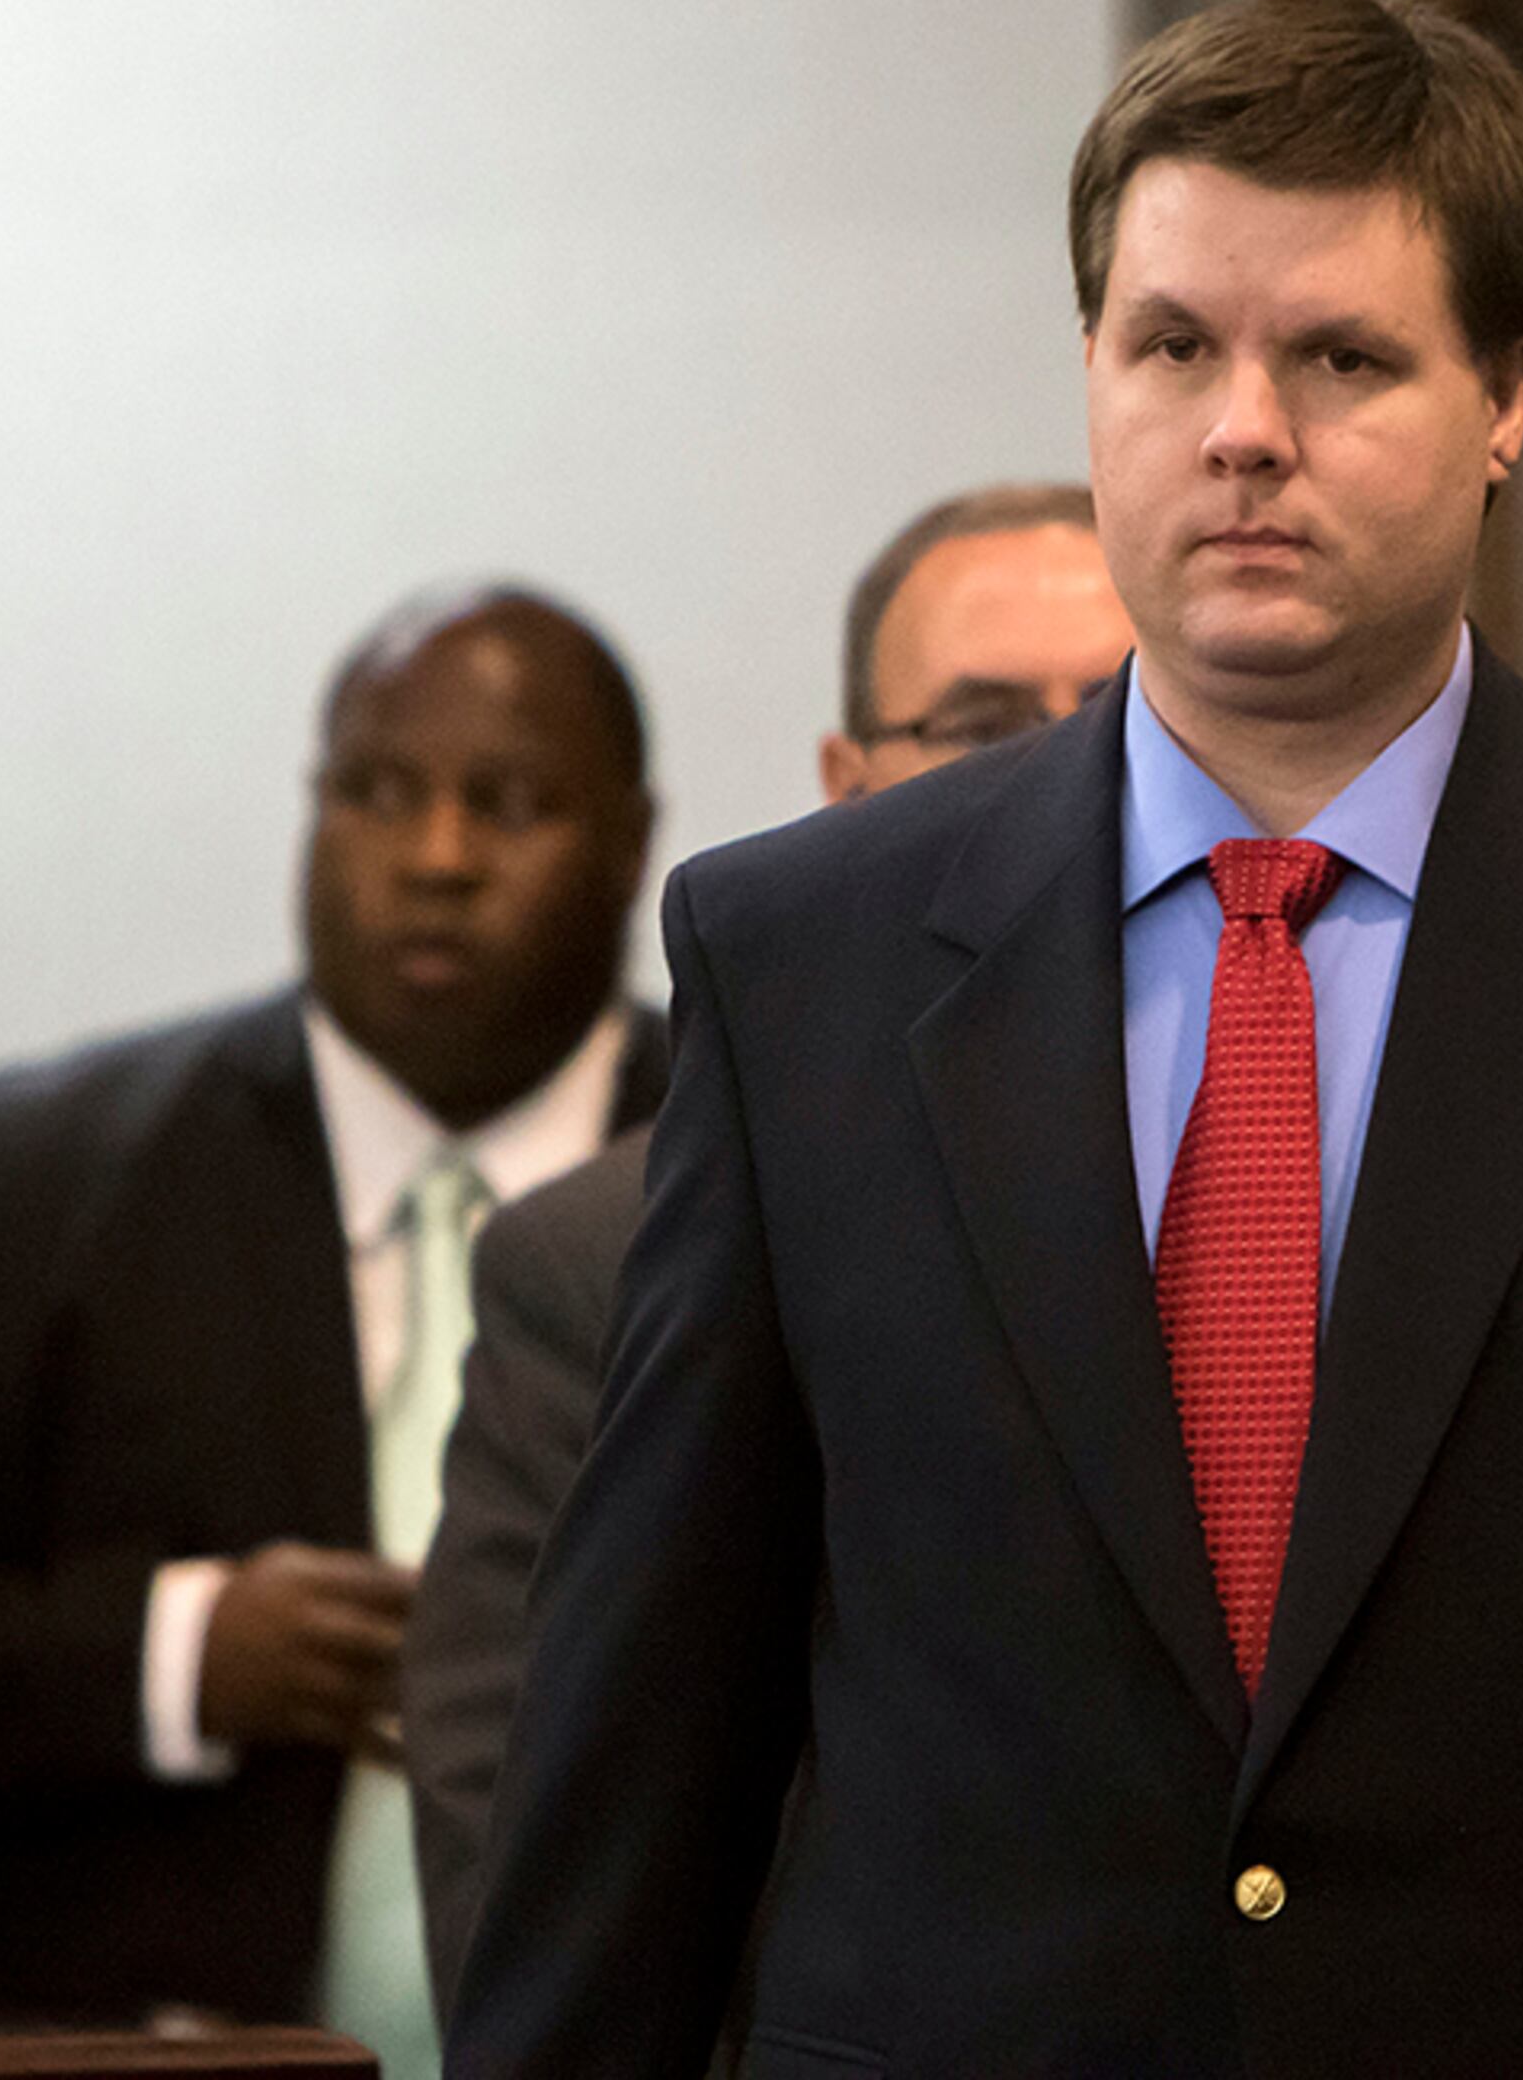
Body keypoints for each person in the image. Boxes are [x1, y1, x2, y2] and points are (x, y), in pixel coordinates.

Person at [450, 0, 1523, 2080]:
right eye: (1173, 347)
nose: (1245, 429)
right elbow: (641, 1735)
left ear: (1509, 395)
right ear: (1091, 371)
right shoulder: (804, 961)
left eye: (1341, 356)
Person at [0, 586, 664, 2070]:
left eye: (512, 804)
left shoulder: (772, 1164)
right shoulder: (35, 1184)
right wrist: (178, 1654)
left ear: (633, 841)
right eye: (376, 792)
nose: (436, 858)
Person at [400, 482, 1132, 2010]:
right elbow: (550, 1898)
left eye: (1123, 716)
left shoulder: (1337, 1177)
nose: (1064, 776)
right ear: (848, 788)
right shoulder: (596, 1263)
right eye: (985, 725)